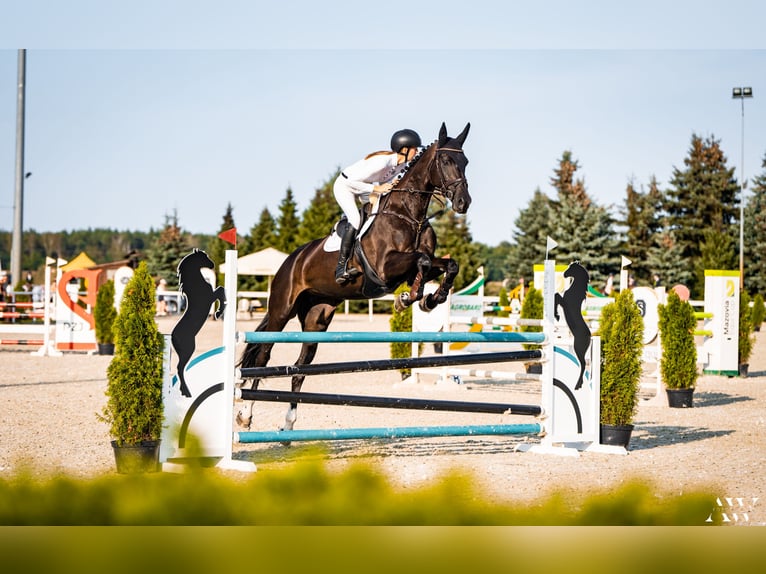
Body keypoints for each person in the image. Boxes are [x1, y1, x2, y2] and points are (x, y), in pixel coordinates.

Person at [333, 128, 422, 284]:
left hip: (365, 187)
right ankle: (341, 267)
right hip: (345, 186)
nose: (417, 152)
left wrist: (389, 185)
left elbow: (383, 182)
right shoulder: (382, 161)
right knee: (355, 219)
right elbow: (351, 183)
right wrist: (377, 189)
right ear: (405, 150)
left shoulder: (401, 165)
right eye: (415, 149)